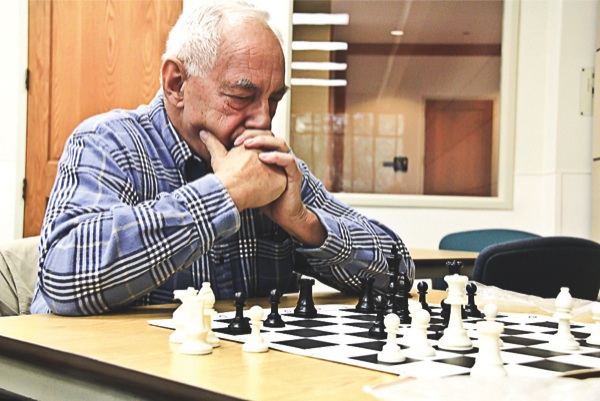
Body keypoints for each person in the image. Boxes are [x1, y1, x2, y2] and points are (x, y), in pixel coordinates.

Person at [30, 0, 413, 316]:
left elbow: (399, 268)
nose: (264, 118)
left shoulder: (272, 166)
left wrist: (305, 223)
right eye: (241, 96)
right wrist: (224, 193)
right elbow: (64, 278)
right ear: (176, 84)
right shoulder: (108, 143)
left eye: (274, 99)